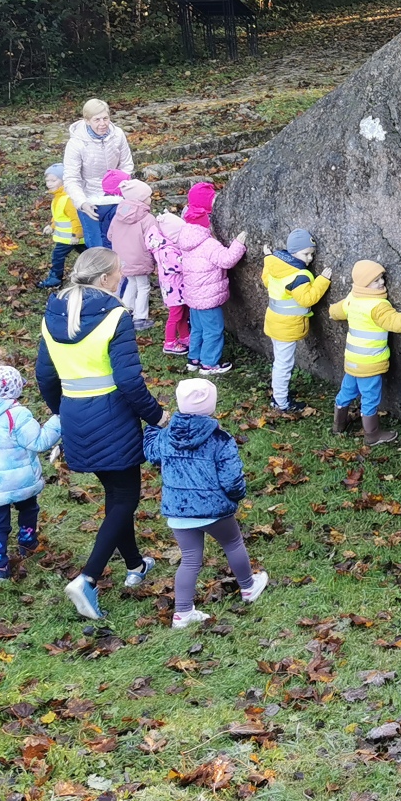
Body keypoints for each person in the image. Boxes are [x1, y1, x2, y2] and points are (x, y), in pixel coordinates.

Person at [35, 247, 167, 622]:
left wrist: (63, 413)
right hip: (113, 417)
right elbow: (128, 380)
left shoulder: (53, 312)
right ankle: (88, 578)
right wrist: (156, 416)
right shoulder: (115, 315)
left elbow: (45, 376)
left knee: (114, 494)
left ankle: (136, 565)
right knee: (125, 497)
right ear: (108, 277)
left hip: (76, 415)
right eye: (120, 271)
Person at [145, 378, 266, 628]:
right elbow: (232, 480)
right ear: (211, 406)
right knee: (232, 543)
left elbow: (152, 454)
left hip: (178, 511)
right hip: (214, 510)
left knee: (190, 558)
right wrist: (236, 496)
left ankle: (183, 613)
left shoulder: (165, 437)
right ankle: (248, 587)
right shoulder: (220, 439)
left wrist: (153, 427)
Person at [0, 365, 61, 582]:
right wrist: (59, 419)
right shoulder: (16, 414)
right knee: (28, 508)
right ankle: (27, 541)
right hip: (18, 479)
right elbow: (39, 441)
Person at [329, 261, 401, 447]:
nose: (382, 282)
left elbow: (337, 310)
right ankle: (372, 435)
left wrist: (331, 312)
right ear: (364, 284)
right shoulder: (377, 306)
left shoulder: (352, 299)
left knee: (347, 391)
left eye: (381, 278)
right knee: (370, 397)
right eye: (375, 280)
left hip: (352, 360)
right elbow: (399, 322)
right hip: (370, 363)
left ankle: (338, 424)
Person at [177, 182, 247, 374]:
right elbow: (226, 260)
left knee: (198, 330)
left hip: (193, 297)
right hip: (208, 299)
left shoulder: (186, 240)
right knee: (213, 331)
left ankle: (194, 358)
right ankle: (210, 363)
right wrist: (238, 244)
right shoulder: (207, 244)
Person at [261, 228, 332, 413]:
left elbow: (266, 280)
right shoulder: (299, 276)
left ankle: (279, 393)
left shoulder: (276, 266)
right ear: (293, 252)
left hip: (274, 321)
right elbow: (307, 299)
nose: (309, 259)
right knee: (284, 365)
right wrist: (322, 280)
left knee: (280, 361)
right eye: (306, 254)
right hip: (287, 327)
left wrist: (267, 257)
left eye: (312, 254)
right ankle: (281, 402)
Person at [62, 98, 134, 250]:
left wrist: (120, 187)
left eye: (105, 118)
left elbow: (126, 164)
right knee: (97, 247)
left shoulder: (118, 135)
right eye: (97, 120)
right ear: (87, 121)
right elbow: (71, 178)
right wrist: (82, 203)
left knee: (120, 243)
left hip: (115, 198)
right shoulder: (76, 144)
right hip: (90, 200)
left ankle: (124, 274)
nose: (102, 124)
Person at [105, 178, 157, 329]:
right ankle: (140, 318)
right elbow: (154, 240)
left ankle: (125, 311)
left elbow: (110, 235)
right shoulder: (147, 219)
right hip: (140, 258)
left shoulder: (118, 215)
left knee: (132, 283)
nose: (151, 199)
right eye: (148, 196)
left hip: (122, 258)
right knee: (143, 286)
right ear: (140, 199)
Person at [147, 207, 191, 357]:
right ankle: (170, 342)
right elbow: (178, 265)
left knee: (182, 314)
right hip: (175, 290)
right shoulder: (167, 251)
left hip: (177, 288)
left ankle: (185, 337)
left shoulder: (166, 247)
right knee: (176, 316)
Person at [39, 163, 85, 289]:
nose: (49, 183)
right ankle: (97, 270)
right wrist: (52, 226)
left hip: (71, 238)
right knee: (87, 253)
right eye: (47, 180)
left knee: (58, 256)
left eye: (53, 180)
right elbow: (59, 216)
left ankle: (55, 279)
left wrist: (77, 235)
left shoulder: (67, 199)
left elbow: (76, 218)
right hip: (70, 238)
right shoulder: (58, 197)